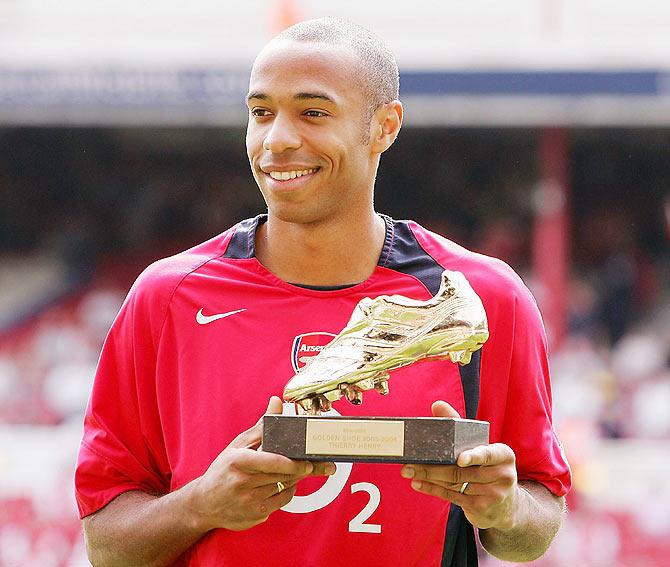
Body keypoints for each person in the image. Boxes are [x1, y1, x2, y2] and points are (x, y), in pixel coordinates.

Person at [75, 17, 571, 567]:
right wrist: (201, 506)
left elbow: (535, 526)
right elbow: (106, 545)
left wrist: (503, 510)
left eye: (313, 112)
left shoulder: (479, 298)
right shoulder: (168, 297)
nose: (277, 139)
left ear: (385, 126)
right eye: (261, 112)